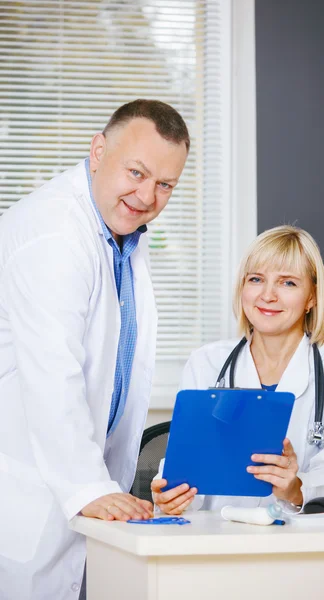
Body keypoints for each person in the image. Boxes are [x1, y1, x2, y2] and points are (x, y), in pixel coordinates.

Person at [0, 99, 189, 599]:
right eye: (136, 171)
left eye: (165, 184)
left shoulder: (119, 236)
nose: (147, 195)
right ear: (98, 149)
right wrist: (92, 487)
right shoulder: (55, 233)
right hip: (28, 497)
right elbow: (52, 374)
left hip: (79, 503)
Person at [152, 225, 324, 515]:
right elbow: (186, 463)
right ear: (243, 287)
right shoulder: (206, 363)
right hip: (214, 539)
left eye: (288, 283)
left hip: (299, 543)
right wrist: (170, 495)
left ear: (312, 297)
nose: (268, 295)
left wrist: (295, 487)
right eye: (256, 279)